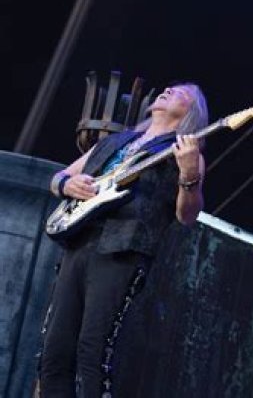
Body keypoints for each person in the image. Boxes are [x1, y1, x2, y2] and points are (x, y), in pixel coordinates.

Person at [40, 83, 208, 397]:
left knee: (93, 352)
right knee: (54, 352)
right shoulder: (115, 141)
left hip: (123, 250)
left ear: (191, 112)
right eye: (169, 88)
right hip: (80, 242)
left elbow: (187, 215)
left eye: (180, 93)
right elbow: (58, 177)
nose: (168, 90)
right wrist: (67, 185)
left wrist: (189, 176)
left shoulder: (186, 152)